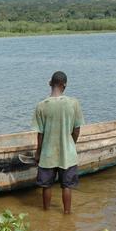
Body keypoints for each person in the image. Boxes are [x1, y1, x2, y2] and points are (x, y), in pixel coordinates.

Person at [32, 71, 84, 214]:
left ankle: (46, 213)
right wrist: (70, 144)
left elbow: (40, 134)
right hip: (68, 153)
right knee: (67, 186)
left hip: (47, 153)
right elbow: (77, 130)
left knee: (46, 186)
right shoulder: (73, 103)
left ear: (50, 84)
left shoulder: (41, 106)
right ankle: (67, 214)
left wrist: (38, 153)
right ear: (64, 85)